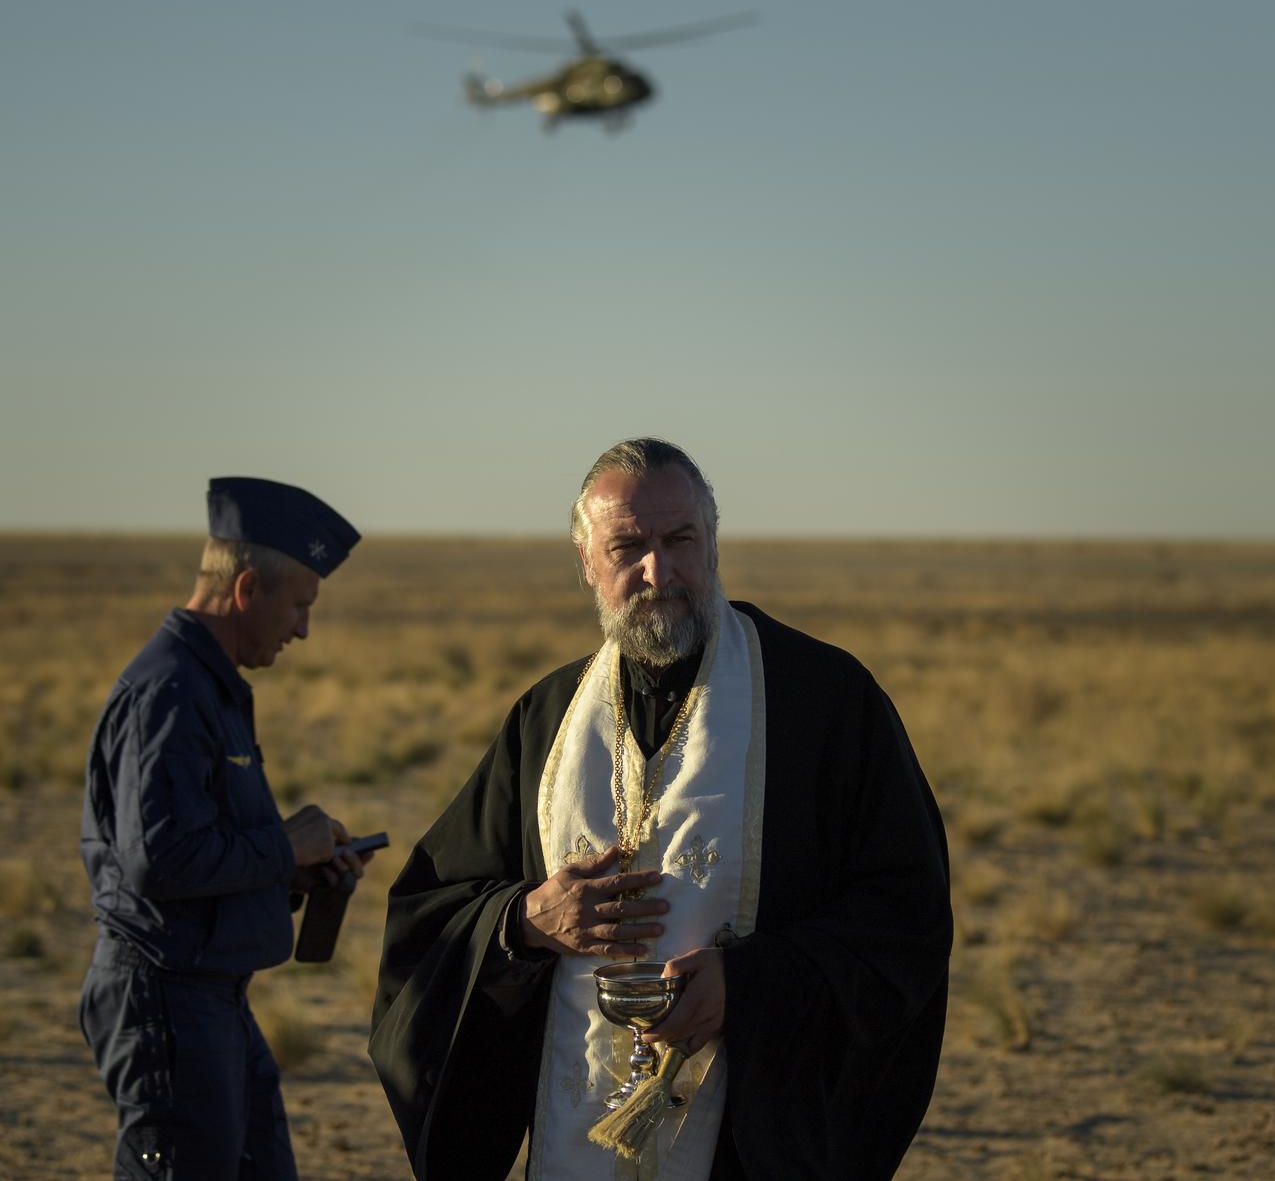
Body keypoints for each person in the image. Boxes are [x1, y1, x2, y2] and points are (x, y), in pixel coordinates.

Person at [371, 439, 952, 1180]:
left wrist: (749, 986)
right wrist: (525, 920)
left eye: (681, 540)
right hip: (575, 1125)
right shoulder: (545, 720)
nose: (659, 571)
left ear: (713, 542)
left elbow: (906, 914)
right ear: (586, 562)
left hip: (749, 1139)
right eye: (627, 547)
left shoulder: (827, 702)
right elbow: (432, 908)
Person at [80, 476, 373, 1180]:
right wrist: (282, 844)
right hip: (168, 1000)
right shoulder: (170, 693)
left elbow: (194, 848)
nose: (302, 627)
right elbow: (158, 859)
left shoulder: (206, 686)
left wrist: (294, 870)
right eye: (299, 604)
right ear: (246, 590)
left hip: (212, 999)